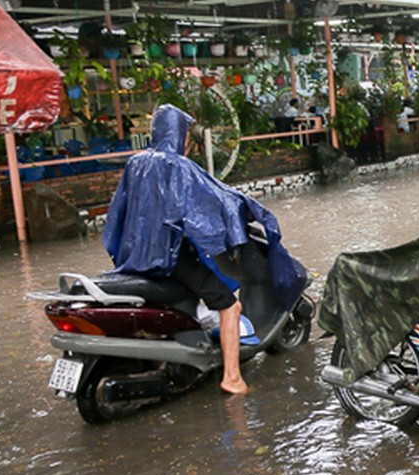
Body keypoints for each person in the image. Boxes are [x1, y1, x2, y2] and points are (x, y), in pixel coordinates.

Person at [102, 104, 302, 394]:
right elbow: (218, 197)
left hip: (134, 259)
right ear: (180, 134)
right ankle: (232, 377)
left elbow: (118, 215)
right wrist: (252, 212)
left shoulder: (135, 164)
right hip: (171, 260)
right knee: (230, 306)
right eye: (186, 135)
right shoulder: (178, 166)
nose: (187, 143)